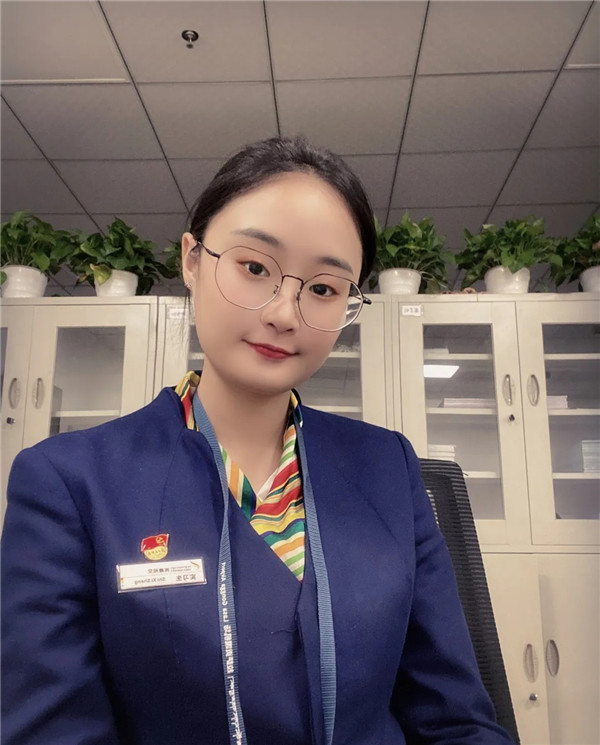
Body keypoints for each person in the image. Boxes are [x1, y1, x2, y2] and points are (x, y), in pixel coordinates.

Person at [1, 136, 515, 745]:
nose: (284, 314)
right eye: (254, 268)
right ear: (192, 261)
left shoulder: (387, 467)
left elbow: (454, 717)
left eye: (324, 288)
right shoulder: (70, 481)